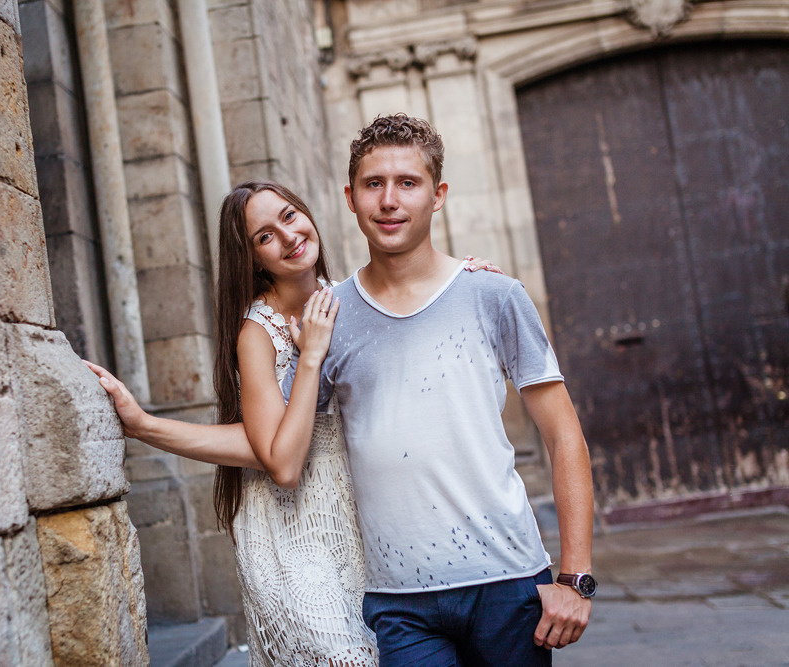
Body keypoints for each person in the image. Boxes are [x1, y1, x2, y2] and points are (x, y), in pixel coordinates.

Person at [86, 179, 502, 666]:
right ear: (253, 258)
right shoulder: (256, 333)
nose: (287, 236)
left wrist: (461, 278)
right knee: (347, 657)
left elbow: (411, 356)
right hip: (291, 530)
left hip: (363, 518)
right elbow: (281, 463)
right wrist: (310, 358)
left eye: (289, 216)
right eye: (264, 236)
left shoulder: (352, 299)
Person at [279, 113, 594, 666]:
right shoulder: (328, 318)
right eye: (373, 184)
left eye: (408, 183)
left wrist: (576, 576)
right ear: (350, 198)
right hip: (398, 601)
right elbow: (281, 445)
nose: (389, 201)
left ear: (438, 194)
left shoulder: (494, 295)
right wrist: (148, 426)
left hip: (509, 582)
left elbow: (564, 435)